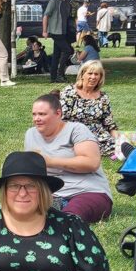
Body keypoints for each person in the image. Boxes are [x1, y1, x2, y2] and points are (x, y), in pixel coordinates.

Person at [25, 92, 112, 224]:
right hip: (51, 193)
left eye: (42, 114)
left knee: (69, 219)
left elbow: (92, 162)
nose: (36, 118)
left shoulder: (76, 130)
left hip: (87, 191)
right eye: (34, 114)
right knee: (20, 213)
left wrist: (49, 161)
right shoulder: (31, 134)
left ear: (58, 114)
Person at [59, 62, 117, 158]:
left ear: (100, 77)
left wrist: (119, 139)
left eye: (96, 74)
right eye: (90, 73)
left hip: (98, 134)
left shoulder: (103, 97)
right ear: (82, 75)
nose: (93, 77)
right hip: (74, 133)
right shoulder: (69, 92)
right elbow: (61, 119)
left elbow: (109, 123)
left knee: (119, 146)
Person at [42, 0, 74, 83]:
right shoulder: (54, 1)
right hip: (55, 31)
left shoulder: (68, 3)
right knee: (68, 50)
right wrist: (44, 31)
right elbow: (45, 16)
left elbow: (68, 17)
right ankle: (60, 74)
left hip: (63, 32)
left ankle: (53, 77)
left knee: (56, 55)